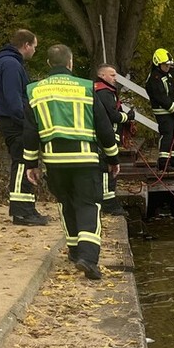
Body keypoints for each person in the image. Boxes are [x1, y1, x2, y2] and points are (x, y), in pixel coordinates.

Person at [23, 45, 120, 280]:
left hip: (55, 162)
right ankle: (89, 258)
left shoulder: (35, 91)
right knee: (88, 205)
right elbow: (104, 126)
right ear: (71, 63)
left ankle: (75, 252)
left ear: (49, 64)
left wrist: (31, 164)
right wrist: (112, 157)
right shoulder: (86, 88)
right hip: (85, 159)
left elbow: (30, 131)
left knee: (67, 204)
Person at [0, 29, 48, 226]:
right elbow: (14, 99)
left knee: (23, 161)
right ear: (26, 45)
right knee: (22, 162)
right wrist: (27, 123)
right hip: (15, 122)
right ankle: (22, 212)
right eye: (34, 46)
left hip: (12, 120)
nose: (34, 51)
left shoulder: (7, 62)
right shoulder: (11, 64)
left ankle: (26, 209)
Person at [94, 64, 135, 215]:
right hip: (106, 136)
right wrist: (128, 117)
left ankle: (108, 200)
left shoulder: (102, 90)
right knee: (107, 168)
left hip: (108, 135)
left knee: (108, 168)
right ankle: (108, 203)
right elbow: (113, 115)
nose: (115, 78)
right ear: (102, 75)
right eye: (111, 75)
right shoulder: (103, 92)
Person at [145, 48, 174, 171]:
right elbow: (161, 97)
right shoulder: (154, 78)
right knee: (167, 135)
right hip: (163, 112)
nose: (168, 67)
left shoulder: (166, 73)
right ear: (158, 64)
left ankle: (172, 160)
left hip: (171, 111)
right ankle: (163, 163)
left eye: (169, 65)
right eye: (165, 65)